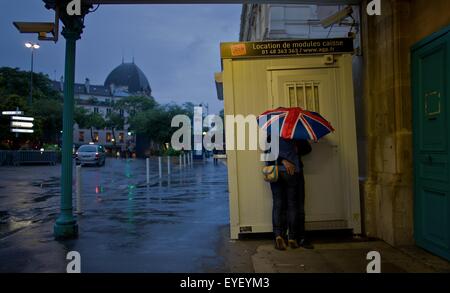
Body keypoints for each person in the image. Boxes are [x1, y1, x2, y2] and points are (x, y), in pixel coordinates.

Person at [269, 137, 312, 250]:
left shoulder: (272, 133)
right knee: (292, 204)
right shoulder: (296, 134)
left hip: (276, 172)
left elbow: (268, 153)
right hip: (293, 172)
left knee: (278, 204)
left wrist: (281, 160)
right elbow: (308, 149)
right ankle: (292, 237)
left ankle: (278, 236)